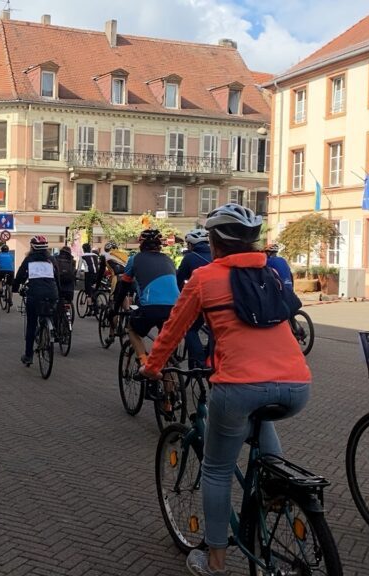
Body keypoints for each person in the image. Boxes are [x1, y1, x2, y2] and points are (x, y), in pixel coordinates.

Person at [139, 204, 311, 576]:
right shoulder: (271, 272)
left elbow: (172, 331)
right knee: (262, 420)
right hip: (297, 385)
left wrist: (151, 368)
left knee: (217, 470)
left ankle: (214, 560)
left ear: (215, 242)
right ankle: (275, 491)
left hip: (238, 386)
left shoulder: (204, 277)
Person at [113, 230, 179, 381]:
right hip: (175, 308)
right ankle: (170, 398)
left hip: (150, 306)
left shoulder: (134, 259)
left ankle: (145, 366)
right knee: (165, 353)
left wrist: (115, 310)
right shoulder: (169, 260)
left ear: (141, 245)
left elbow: (124, 286)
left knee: (132, 329)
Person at [12, 235, 60, 366]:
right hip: (52, 293)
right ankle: (51, 331)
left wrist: (15, 288)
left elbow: (20, 275)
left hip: (34, 294)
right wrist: (58, 293)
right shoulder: (51, 259)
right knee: (49, 313)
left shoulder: (29, 259)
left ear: (32, 247)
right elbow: (57, 277)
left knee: (31, 325)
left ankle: (28, 355)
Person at [178, 229, 213, 367]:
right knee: (214, 330)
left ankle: (200, 363)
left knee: (190, 329)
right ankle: (211, 355)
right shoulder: (216, 255)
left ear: (191, 245)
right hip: (221, 300)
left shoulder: (190, 258)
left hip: (201, 300)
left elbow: (179, 280)